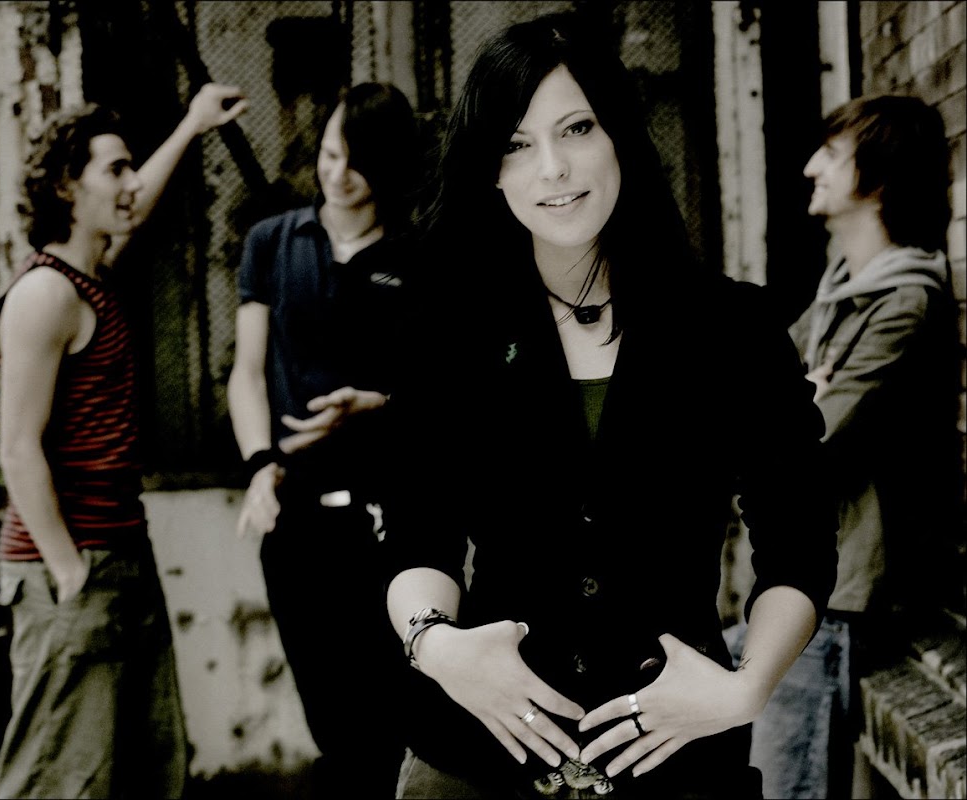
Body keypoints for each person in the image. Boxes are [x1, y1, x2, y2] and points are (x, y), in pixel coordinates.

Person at [382, 11, 839, 800]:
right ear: (491, 170)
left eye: (577, 128)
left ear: (620, 134)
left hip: (675, 754)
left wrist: (747, 687)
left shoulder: (731, 328)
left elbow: (797, 539)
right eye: (517, 144)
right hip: (475, 755)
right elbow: (417, 531)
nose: (553, 168)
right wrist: (439, 648)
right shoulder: (449, 333)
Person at [0, 84, 248, 799]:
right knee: (60, 780)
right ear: (66, 187)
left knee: (143, 772)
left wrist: (193, 125)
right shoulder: (45, 295)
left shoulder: (92, 276)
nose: (132, 181)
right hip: (74, 566)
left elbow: (140, 203)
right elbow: (17, 449)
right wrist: (68, 572)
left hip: (122, 555)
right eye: (115, 169)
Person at [739, 94, 962, 799]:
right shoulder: (841, 292)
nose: (811, 167)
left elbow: (805, 445)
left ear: (881, 179)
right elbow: (742, 395)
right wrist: (798, 392)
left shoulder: (904, 304)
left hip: (840, 598)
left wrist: (794, 398)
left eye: (831, 155)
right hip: (797, 582)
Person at [226, 82, 422, 798]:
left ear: (388, 166)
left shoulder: (418, 256)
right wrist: (260, 467)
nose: (337, 174)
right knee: (331, 720)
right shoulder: (272, 242)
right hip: (297, 522)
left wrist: (373, 406)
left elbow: (446, 389)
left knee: (392, 714)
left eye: (357, 160)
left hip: (389, 520)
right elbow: (247, 373)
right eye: (330, 154)